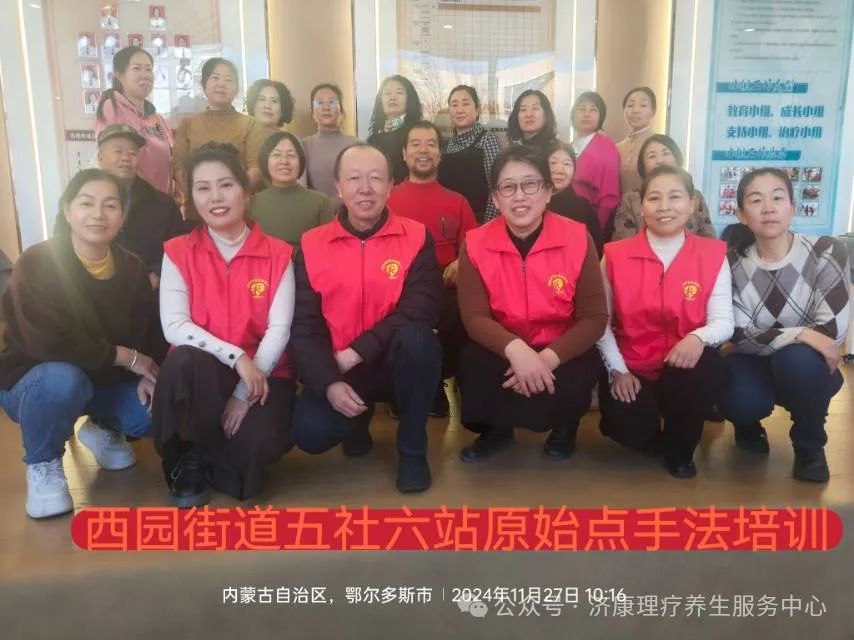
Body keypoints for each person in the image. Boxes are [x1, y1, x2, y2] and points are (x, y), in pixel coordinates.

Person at [0, 169, 158, 519]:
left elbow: (145, 330)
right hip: (35, 382)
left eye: (110, 205)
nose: (98, 214)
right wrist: (126, 357)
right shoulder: (38, 261)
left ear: (123, 215)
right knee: (62, 379)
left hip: (102, 379)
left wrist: (149, 373)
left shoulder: (131, 267)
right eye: (86, 203)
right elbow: (48, 342)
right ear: (67, 210)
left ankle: (101, 428)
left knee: (155, 409)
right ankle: (44, 462)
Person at [290, 143, 443, 493]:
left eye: (375, 178)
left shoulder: (417, 236)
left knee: (420, 339)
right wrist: (329, 381)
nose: (365, 188)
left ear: (390, 186)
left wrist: (358, 351)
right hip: (340, 367)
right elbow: (305, 326)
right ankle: (356, 423)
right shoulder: (312, 244)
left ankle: (412, 448)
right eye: (354, 178)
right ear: (338, 186)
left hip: (394, 361)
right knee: (310, 432)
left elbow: (421, 307)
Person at [153, 143, 296, 507]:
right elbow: (174, 325)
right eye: (203, 188)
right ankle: (190, 455)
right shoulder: (177, 251)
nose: (215, 197)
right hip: (203, 374)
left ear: (247, 193)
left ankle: (216, 449)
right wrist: (235, 357)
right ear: (191, 198)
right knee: (183, 360)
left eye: (226, 185)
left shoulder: (279, 253)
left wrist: (242, 395)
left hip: (262, 374)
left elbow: (279, 329)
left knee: (247, 470)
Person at [456, 145, 607, 462]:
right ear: (496, 198)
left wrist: (546, 359)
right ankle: (495, 431)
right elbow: (474, 317)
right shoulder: (475, 243)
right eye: (508, 187)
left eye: (530, 184)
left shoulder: (578, 238)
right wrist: (517, 350)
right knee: (472, 359)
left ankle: (564, 427)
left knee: (583, 363)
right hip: (504, 344)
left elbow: (594, 318)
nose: (519, 196)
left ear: (548, 191)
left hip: (559, 345)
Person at [597, 165, 733, 478]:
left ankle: (681, 450)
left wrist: (697, 338)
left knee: (707, 369)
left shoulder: (712, 254)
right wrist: (617, 369)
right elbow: (600, 321)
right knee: (624, 425)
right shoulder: (615, 255)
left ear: (692, 204)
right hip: (633, 364)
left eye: (675, 197)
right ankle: (655, 437)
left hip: (685, 363)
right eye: (654, 198)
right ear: (641, 206)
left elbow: (724, 321)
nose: (664, 207)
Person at [717, 168, 850, 483]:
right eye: (756, 200)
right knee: (738, 396)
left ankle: (809, 447)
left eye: (777, 198)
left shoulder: (826, 251)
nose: (768, 208)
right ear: (741, 215)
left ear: (792, 207)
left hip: (806, 367)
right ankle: (746, 423)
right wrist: (802, 333)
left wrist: (772, 340)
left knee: (798, 360)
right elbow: (737, 334)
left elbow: (831, 331)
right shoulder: (731, 263)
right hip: (752, 365)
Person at [388, 121, 477, 417]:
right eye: (415, 144)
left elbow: (474, 248)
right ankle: (406, 387)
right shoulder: (387, 199)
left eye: (431, 144)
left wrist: (461, 262)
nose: (423, 150)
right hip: (398, 287)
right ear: (404, 154)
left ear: (440, 154)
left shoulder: (458, 201)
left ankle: (438, 381)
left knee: (465, 317)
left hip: (446, 287)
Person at [84, 124, 186, 290]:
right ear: (100, 157)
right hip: (93, 291)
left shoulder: (163, 205)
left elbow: (180, 249)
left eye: (132, 153)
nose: (126, 158)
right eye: (118, 151)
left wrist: (157, 276)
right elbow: (65, 244)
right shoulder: (81, 201)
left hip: (149, 293)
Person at [173, 58, 267, 205]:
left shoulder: (251, 124)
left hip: (239, 205)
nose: (221, 84)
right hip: (198, 206)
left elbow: (256, 168)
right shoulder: (187, 124)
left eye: (228, 79)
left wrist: (231, 196)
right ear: (204, 84)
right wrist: (198, 196)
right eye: (215, 78)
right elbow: (178, 167)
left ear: (236, 88)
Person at [96, 47, 174, 195]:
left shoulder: (157, 118)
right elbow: (111, 160)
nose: (145, 75)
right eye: (137, 68)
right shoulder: (112, 107)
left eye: (148, 69)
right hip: (129, 200)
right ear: (119, 75)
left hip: (161, 201)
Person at [612, 134, 715, 241]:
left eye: (666, 153)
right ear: (643, 165)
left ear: (677, 159)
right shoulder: (630, 199)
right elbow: (623, 241)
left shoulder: (695, 196)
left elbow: (708, 237)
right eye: (652, 156)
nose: (660, 161)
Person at [251, 131, 335, 250]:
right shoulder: (252, 203)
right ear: (265, 160)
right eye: (277, 155)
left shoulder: (320, 202)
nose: (284, 161)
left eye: (291, 155)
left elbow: (330, 248)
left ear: (301, 161)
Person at [438, 85, 502, 224]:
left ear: (477, 109)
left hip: (479, 222)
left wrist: (487, 226)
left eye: (465, 103)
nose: (459, 110)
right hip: (449, 222)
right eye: (454, 105)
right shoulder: (446, 145)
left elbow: (496, 187)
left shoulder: (487, 140)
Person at [570, 91, 621, 233]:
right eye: (582, 109)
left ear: (601, 117)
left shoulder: (607, 146)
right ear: (573, 115)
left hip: (590, 222)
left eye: (593, 110)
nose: (586, 114)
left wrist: (597, 229)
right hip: (565, 219)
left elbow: (610, 195)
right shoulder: (568, 147)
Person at [301, 83, 358, 204]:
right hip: (314, 210)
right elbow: (301, 190)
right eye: (319, 103)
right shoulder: (303, 145)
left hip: (350, 209)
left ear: (341, 111)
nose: (326, 107)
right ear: (313, 113)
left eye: (332, 102)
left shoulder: (356, 144)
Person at [546, 142, 603, 255]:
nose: (559, 170)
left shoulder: (583, 208)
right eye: (553, 163)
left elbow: (595, 251)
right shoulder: (534, 205)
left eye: (567, 164)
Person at [367, 75, 423, 184]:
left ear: (409, 99)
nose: (392, 97)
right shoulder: (372, 140)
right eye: (387, 93)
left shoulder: (417, 134)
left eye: (399, 92)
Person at [615, 86, 657, 194]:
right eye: (630, 105)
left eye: (643, 105)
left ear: (653, 111)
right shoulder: (617, 148)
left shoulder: (658, 145)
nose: (635, 111)